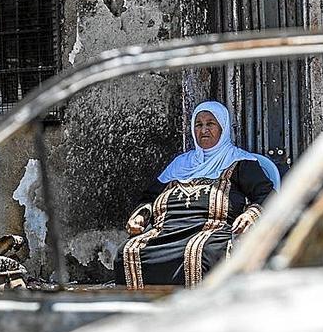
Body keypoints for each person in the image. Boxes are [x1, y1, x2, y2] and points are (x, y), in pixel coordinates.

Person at [114, 101, 280, 289]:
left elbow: (267, 194)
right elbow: (149, 197)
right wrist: (141, 214)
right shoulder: (180, 164)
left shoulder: (240, 162)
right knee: (127, 251)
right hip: (165, 233)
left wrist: (251, 214)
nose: (204, 130)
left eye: (211, 124)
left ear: (223, 128)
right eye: (198, 125)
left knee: (205, 253)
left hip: (210, 232)